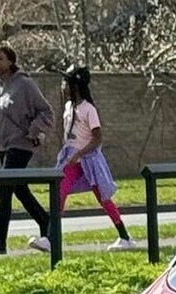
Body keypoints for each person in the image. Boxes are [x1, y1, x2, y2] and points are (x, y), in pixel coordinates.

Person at [56, 66, 138, 251]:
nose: (62, 86)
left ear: (75, 86)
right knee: (59, 193)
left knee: (103, 198)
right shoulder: (68, 107)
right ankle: (51, 236)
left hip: (88, 161)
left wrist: (80, 153)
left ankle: (124, 237)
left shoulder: (88, 109)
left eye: (65, 83)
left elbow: (97, 138)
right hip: (71, 162)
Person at [0, 42, 54, 255]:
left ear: (11, 61)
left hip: (21, 143)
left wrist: (34, 130)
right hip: (2, 145)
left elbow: (46, 111)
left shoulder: (24, 84)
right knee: (19, 188)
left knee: (4, 189)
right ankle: (47, 223)